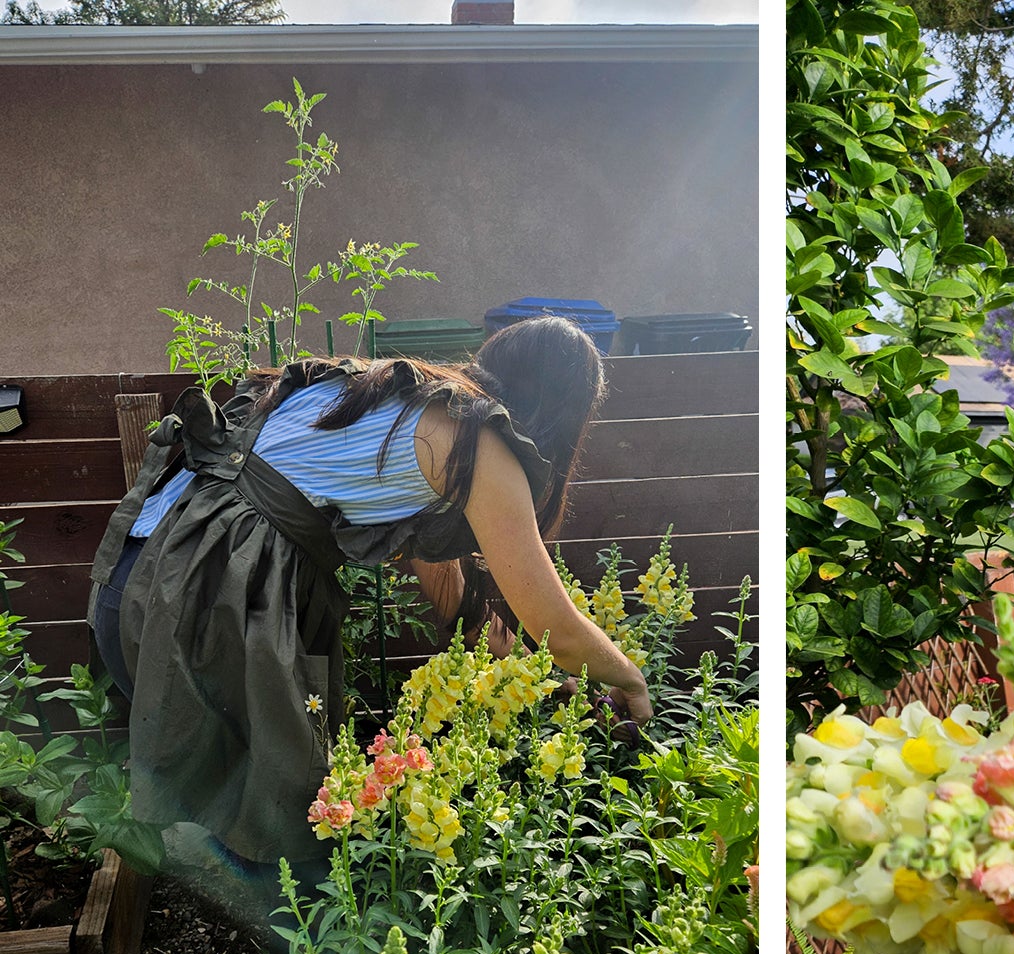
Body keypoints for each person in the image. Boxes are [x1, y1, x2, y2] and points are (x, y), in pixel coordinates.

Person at [88, 316, 653, 881]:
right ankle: (299, 948)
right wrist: (628, 677)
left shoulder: (402, 401)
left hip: (143, 585)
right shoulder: (481, 444)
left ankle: (268, 933)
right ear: (568, 410)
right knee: (284, 816)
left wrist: (532, 670)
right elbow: (553, 620)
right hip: (202, 602)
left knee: (256, 798)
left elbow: (448, 586)